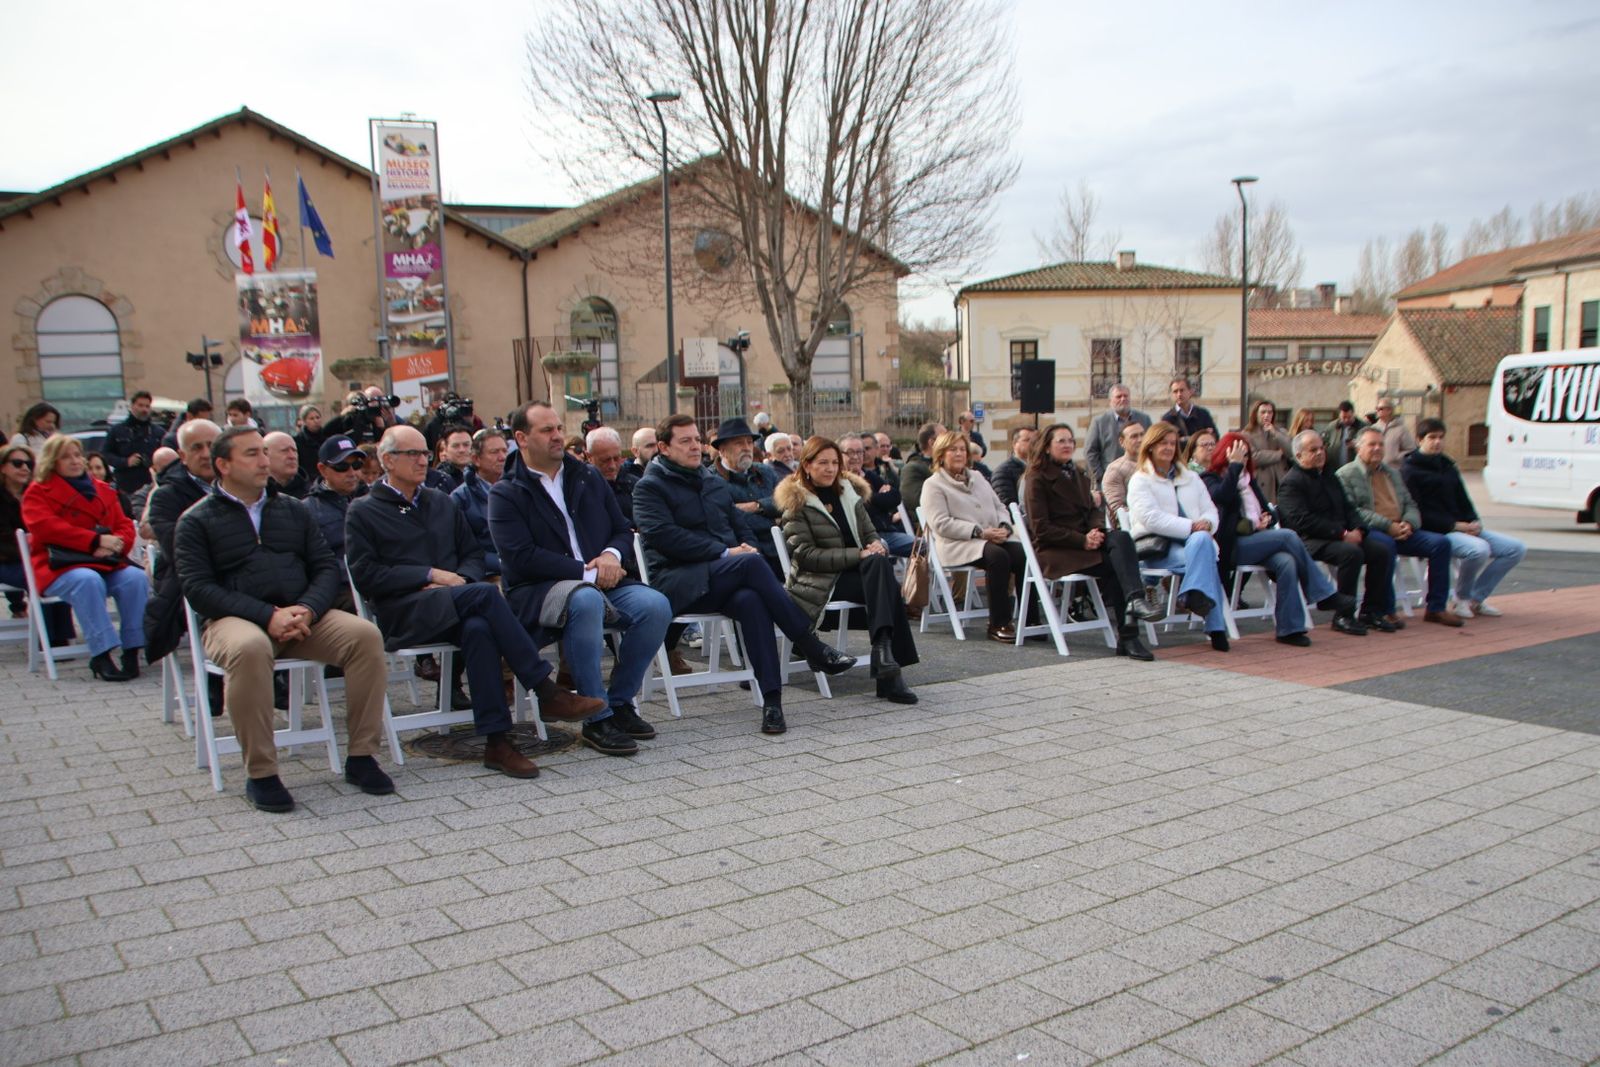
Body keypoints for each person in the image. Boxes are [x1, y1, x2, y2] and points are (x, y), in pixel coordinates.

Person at [345, 425, 605, 779]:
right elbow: (366, 574)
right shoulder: (364, 510)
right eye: (413, 454)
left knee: (480, 627)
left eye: (424, 453)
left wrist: (461, 581)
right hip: (403, 611)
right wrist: (429, 576)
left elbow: (472, 556)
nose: (423, 460)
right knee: (484, 595)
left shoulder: (440, 501)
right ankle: (545, 689)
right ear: (387, 460)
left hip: (456, 602)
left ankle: (498, 742)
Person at [173, 427, 394, 812]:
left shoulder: (292, 509)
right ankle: (261, 773)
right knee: (250, 647)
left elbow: (325, 568)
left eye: (263, 452)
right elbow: (198, 588)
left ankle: (361, 757)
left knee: (364, 636)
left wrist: (307, 609)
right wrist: (266, 615)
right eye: (251, 454)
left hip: (300, 615)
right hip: (234, 619)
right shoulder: (196, 520)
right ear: (222, 465)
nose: (263, 461)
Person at [634, 414, 856, 736]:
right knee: (750, 566)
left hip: (724, 576)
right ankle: (810, 645)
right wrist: (727, 554)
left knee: (752, 600)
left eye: (696, 439)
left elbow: (742, 528)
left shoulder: (712, 483)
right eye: (686, 441)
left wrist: (747, 549)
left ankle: (772, 703)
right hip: (678, 581)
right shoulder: (649, 487)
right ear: (664, 448)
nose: (695, 446)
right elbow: (664, 536)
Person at [488, 401, 673, 755]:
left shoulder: (586, 475)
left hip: (602, 580)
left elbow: (622, 529)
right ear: (522, 438)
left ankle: (619, 703)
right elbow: (520, 556)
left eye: (558, 428)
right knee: (584, 599)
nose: (558, 436)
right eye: (547, 430)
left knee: (656, 605)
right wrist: (586, 571)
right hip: (539, 590)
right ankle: (596, 717)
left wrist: (610, 556)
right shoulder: (506, 492)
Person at [775, 436, 919, 703]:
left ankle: (885, 656)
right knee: (886, 585)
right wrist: (860, 553)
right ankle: (888, 672)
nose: (830, 469)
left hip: (862, 576)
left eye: (834, 463)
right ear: (806, 465)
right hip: (820, 584)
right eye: (823, 463)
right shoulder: (796, 502)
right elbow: (806, 556)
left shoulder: (849, 492)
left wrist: (876, 544)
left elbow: (870, 534)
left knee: (879, 566)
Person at [1023, 424, 1159, 660]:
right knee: (1119, 564)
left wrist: (1095, 531)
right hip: (1057, 548)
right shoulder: (1036, 477)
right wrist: (1081, 540)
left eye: (1070, 441)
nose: (1068, 445)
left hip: (1086, 540)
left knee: (1122, 538)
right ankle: (1129, 636)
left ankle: (1135, 604)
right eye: (1061, 441)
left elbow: (1094, 509)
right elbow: (1040, 528)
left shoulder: (1077, 473)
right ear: (1047, 447)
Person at [1200, 433, 1348, 647]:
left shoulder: (1248, 481)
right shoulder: (1210, 479)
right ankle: (1322, 593)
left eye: (1246, 454)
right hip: (1230, 546)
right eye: (1239, 454)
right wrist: (1234, 469)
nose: (1244, 459)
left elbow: (1272, 511)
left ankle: (1289, 629)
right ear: (1227, 454)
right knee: (1288, 536)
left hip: (1259, 541)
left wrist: (1268, 518)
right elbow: (1222, 502)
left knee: (1286, 562)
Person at [21, 434, 148, 680]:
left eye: (78, 455)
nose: (75, 461)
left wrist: (115, 545)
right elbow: (46, 527)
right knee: (87, 580)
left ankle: (132, 649)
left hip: (105, 560)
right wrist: (94, 541)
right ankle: (101, 654)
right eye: (66, 457)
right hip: (59, 564)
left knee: (135, 578)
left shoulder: (102, 489)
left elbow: (124, 524)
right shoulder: (38, 491)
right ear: (52, 461)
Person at [1402, 417, 1525, 619]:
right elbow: (1418, 512)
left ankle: (1477, 598)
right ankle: (1462, 598)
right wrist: (1455, 526)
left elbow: (1463, 499)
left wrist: (1474, 521)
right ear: (1419, 439)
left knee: (1515, 549)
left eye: (1441, 437)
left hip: (1464, 527)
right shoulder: (1409, 470)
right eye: (1432, 437)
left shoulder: (1447, 465)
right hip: (1438, 532)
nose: (1437, 442)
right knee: (1478, 550)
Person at [1337, 426, 1460, 627]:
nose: (1377, 448)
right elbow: (1354, 511)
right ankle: (1385, 609)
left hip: (1402, 529)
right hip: (1374, 530)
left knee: (1441, 544)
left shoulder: (1393, 473)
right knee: (1385, 548)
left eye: (1381, 444)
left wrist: (1409, 523)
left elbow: (1410, 503)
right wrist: (1388, 526)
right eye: (1371, 444)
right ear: (1359, 448)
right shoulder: (1346, 474)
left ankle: (1436, 608)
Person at [1126, 422, 1231, 651]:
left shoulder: (1191, 477)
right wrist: (1192, 526)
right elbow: (1151, 518)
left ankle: (1191, 595)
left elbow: (1210, 509)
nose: (1169, 448)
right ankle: (1215, 628)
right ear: (1151, 446)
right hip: (1158, 547)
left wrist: (1207, 523)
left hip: (1193, 543)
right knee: (1206, 556)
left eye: (1173, 443)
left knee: (1203, 543)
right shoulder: (1140, 480)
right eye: (1163, 443)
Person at [920, 430, 1026, 643]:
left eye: (962, 449)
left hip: (990, 536)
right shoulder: (933, 484)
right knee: (998, 557)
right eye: (953, 450)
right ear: (940, 454)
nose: (959, 454)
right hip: (957, 543)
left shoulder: (977, 477)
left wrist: (1004, 526)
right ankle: (999, 622)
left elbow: (999, 506)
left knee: (1021, 554)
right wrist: (979, 531)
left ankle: (1029, 619)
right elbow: (941, 523)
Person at [1278, 431, 1387, 635]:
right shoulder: (1291, 482)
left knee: (1381, 551)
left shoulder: (1328, 475)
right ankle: (1343, 615)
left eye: (1322, 448)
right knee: (1350, 553)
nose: (1320, 453)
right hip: (1308, 541)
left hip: (1339, 535)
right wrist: (1342, 533)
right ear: (1299, 455)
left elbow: (1348, 508)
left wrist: (1359, 529)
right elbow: (1302, 521)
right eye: (1313, 450)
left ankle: (1371, 611)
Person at [142, 419, 222, 666]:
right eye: (197, 448)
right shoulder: (166, 496)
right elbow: (181, 550)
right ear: (183, 456)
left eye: (211, 446)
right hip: (187, 584)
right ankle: (217, 689)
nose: (206, 454)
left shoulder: (243, 486)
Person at [1, 444, 74, 644]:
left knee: (59, 569)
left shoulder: (36, 494)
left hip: (34, 554)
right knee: (38, 574)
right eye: (17, 463)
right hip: (7, 560)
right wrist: (32, 551)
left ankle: (62, 634)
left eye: (28, 463)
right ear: (3, 468)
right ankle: (48, 637)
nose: (24, 468)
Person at [712, 418, 785, 575]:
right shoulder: (711, 480)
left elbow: (785, 502)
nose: (746, 448)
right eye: (739, 443)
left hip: (780, 547)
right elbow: (725, 518)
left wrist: (755, 506)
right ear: (722, 450)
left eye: (749, 443)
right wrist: (770, 515)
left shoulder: (765, 472)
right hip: (744, 552)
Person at [842, 433, 913, 556]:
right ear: (840, 455)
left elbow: (895, 497)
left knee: (923, 546)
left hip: (887, 532)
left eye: (859, 452)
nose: (856, 457)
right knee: (879, 552)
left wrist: (871, 498)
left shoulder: (868, 475)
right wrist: (878, 497)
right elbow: (860, 505)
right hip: (864, 537)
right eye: (850, 452)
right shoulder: (840, 480)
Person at [451, 428, 508, 574]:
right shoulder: (460, 498)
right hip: (492, 571)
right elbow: (466, 549)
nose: (502, 457)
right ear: (476, 459)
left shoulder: (519, 489)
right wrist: (507, 564)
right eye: (494, 452)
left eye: (504, 451)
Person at [303, 435, 368, 561]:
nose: (352, 473)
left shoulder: (372, 498)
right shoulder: (308, 510)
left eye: (356, 465)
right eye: (342, 467)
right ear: (323, 469)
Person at [1085, 384, 1151, 489]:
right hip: (1109, 481)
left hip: (1140, 478)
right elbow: (1090, 452)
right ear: (1110, 401)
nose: (1123, 399)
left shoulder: (1144, 419)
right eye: (1119, 396)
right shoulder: (1099, 422)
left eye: (1126, 396)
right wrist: (1101, 476)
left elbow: (1150, 446)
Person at [103, 390, 162, 496]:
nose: (144, 409)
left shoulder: (158, 432)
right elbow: (105, 454)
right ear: (132, 406)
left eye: (147, 406)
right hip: (125, 486)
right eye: (140, 405)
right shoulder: (117, 431)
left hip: (151, 486)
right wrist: (125, 462)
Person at [1244, 400, 1294, 504]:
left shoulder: (1280, 432)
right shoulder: (1247, 434)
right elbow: (1254, 457)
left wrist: (1275, 433)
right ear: (1256, 414)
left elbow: (1291, 451)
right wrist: (1279, 454)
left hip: (1281, 479)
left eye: (1270, 412)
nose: (1266, 415)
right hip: (1262, 481)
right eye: (1263, 412)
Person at [586, 426, 636, 526]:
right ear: (589, 457)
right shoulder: (579, 488)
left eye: (617, 459)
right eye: (605, 460)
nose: (612, 466)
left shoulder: (636, 485)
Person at [899, 421, 945, 524]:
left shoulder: (949, 465)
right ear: (932, 442)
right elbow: (915, 501)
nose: (950, 442)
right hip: (932, 523)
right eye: (945, 438)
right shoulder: (912, 468)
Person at [1101, 421, 1145, 524]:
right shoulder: (1115, 470)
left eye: (1142, 434)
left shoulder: (1157, 463)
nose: (1140, 439)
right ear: (1122, 442)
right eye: (1134, 436)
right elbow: (1117, 510)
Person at [1161, 378, 1216, 451]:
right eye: (1175, 391)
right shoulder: (1168, 418)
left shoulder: (1203, 414)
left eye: (1182, 390)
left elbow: (1215, 437)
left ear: (1190, 392)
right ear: (1171, 395)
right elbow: (1167, 442)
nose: (1179, 394)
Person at [1373, 397, 1418, 467]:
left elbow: (1411, 449)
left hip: (1394, 469)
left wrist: (1396, 456)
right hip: (1375, 468)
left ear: (1389, 410)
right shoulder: (1373, 428)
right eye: (1376, 408)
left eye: (1381, 409)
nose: (1377, 411)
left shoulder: (1401, 429)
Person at [263, 431, 310, 499]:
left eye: (294, 451)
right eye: (284, 451)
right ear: (265, 455)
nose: (292, 456)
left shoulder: (312, 497)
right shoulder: (256, 495)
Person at [1321, 401, 1367, 468]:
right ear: (1339, 415)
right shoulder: (1332, 427)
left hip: (1355, 468)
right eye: (1343, 417)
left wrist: (1357, 445)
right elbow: (1324, 443)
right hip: (1334, 468)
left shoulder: (1363, 427)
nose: (1346, 420)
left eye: (1349, 417)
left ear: (1353, 413)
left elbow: (1369, 446)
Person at [431, 425, 474, 493]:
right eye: (456, 446)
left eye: (466, 445)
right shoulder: (438, 481)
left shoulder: (482, 475)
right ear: (445, 449)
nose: (462, 450)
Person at [293, 403, 327, 477]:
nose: (316, 421)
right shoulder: (297, 441)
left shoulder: (327, 437)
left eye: (318, 417)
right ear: (304, 421)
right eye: (311, 418)